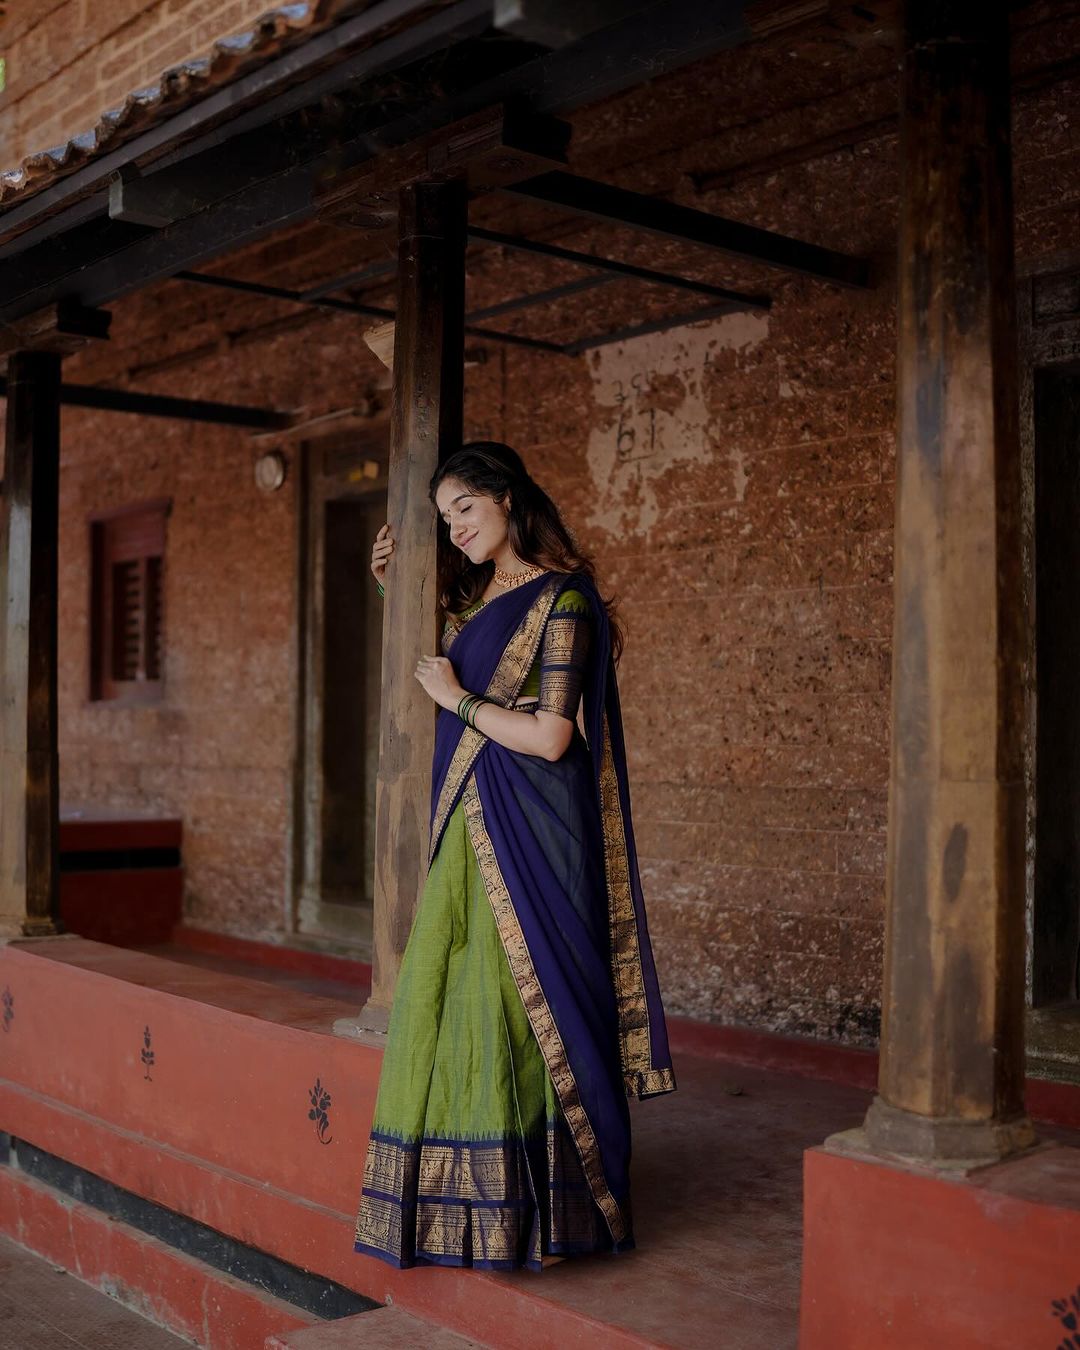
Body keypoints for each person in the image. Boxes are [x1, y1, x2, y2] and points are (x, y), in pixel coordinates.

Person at [353, 441, 674, 1272]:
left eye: (465, 508)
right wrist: (396, 585)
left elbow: (552, 735)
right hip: (470, 821)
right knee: (459, 992)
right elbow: (443, 661)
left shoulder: (563, 600)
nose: (455, 528)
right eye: (443, 518)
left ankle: (544, 1212)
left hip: (533, 824)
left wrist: (457, 700)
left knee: (525, 1005)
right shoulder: (478, 601)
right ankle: (463, 1213)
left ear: (507, 499)